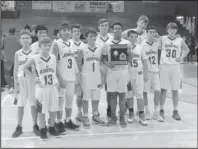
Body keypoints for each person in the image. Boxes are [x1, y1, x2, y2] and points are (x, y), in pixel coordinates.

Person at [23, 37, 62, 140]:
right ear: (39, 46)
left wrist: (59, 81)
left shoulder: (53, 57)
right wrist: (34, 78)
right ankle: (42, 129)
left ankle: (52, 127)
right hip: (41, 88)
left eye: (49, 45)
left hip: (53, 86)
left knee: (54, 109)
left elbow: (57, 72)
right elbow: (24, 68)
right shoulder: (35, 57)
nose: (47, 47)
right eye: (45, 45)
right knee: (41, 111)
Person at [51, 23, 80, 131]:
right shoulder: (56, 44)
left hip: (71, 77)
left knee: (69, 100)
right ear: (60, 32)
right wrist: (58, 78)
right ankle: (58, 122)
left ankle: (67, 120)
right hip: (61, 78)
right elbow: (53, 61)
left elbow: (74, 61)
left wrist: (77, 75)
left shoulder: (72, 43)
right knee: (60, 101)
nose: (67, 32)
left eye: (68, 30)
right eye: (64, 30)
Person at [102, 22, 132, 127]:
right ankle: (113, 117)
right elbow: (104, 58)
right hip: (111, 72)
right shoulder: (107, 43)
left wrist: (127, 63)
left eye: (119, 28)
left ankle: (122, 117)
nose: (117, 30)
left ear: (122, 30)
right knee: (113, 95)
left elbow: (130, 56)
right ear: (112, 30)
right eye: (115, 28)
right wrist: (107, 63)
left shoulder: (127, 43)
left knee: (123, 95)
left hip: (123, 72)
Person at [158, 22, 189, 121]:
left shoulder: (180, 40)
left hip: (175, 67)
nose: (172, 31)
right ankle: (161, 110)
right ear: (167, 30)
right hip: (164, 66)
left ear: (176, 30)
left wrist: (182, 57)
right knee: (163, 89)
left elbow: (186, 49)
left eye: (174, 29)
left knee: (175, 90)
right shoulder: (162, 38)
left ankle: (175, 111)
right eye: (170, 29)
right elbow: (155, 46)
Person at [12, 30, 39, 138]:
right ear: (20, 40)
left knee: (33, 104)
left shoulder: (35, 53)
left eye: (27, 38)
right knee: (20, 104)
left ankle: (35, 125)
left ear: (31, 40)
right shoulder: (17, 53)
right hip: (21, 81)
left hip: (32, 81)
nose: (25, 40)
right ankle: (19, 126)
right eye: (23, 38)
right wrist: (15, 84)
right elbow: (15, 69)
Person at [77, 28, 106, 128]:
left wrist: (103, 78)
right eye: (90, 36)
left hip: (97, 76)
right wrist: (79, 79)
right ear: (86, 37)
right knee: (85, 98)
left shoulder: (100, 48)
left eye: (94, 36)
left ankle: (95, 115)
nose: (93, 38)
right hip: (86, 77)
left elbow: (102, 63)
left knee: (96, 98)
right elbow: (78, 66)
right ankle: (85, 116)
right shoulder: (82, 49)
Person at [125, 30, 148, 126]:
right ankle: (131, 113)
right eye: (131, 36)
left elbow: (145, 62)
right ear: (128, 37)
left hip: (138, 74)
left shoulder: (140, 48)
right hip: (127, 75)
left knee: (139, 95)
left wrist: (146, 74)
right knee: (129, 95)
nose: (133, 39)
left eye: (135, 37)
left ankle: (141, 114)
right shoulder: (124, 48)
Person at [142, 26, 163, 122]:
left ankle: (156, 112)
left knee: (158, 91)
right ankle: (147, 111)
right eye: (150, 32)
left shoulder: (157, 43)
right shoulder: (142, 44)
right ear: (146, 33)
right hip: (146, 71)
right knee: (145, 92)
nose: (152, 33)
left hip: (156, 71)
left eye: (154, 32)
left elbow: (164, 40)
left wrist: (157, 37)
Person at [96, 18, 113, 118]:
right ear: (98, 27)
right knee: (97, 90)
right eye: (102, 25)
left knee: (110, 90)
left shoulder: (112, 38)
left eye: (106, 25)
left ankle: (109, 108)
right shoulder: (95, 38)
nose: (104, 27)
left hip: (110, 68)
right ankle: (95, 110)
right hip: (98, 68)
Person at [69, 24, 86, 122]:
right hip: (69, 73)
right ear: (71, 32)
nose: (76, 32)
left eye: (78, 31)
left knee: (80, 94)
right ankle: (65, 117)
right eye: (74, 31)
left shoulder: (83, 45)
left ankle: (79, 112)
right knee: (68, 95)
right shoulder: (68, 44)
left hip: (80, 73)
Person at [2, 27, 21, 92]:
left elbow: (1, 47)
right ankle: (15, 86)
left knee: (7, 73)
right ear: (15, 31)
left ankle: (10, 87)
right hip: (17, 59)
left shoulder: (5, 38)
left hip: (7, 59)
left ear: (8, 31)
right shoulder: (18, 38)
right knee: (16, 73)